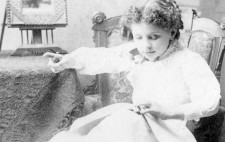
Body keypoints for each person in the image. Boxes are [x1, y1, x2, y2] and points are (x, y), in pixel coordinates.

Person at [43, 0, 221, 141]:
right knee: (104, 128)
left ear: (172, 33)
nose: (146, 45)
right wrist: (67, 60)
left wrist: (169, 112)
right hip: (136, 120)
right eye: (139, 37)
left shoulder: (188, 60)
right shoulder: (136, 54)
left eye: (154, 37)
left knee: (125, 124)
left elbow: (210, 100)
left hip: (169, 131)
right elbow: (103, 57)